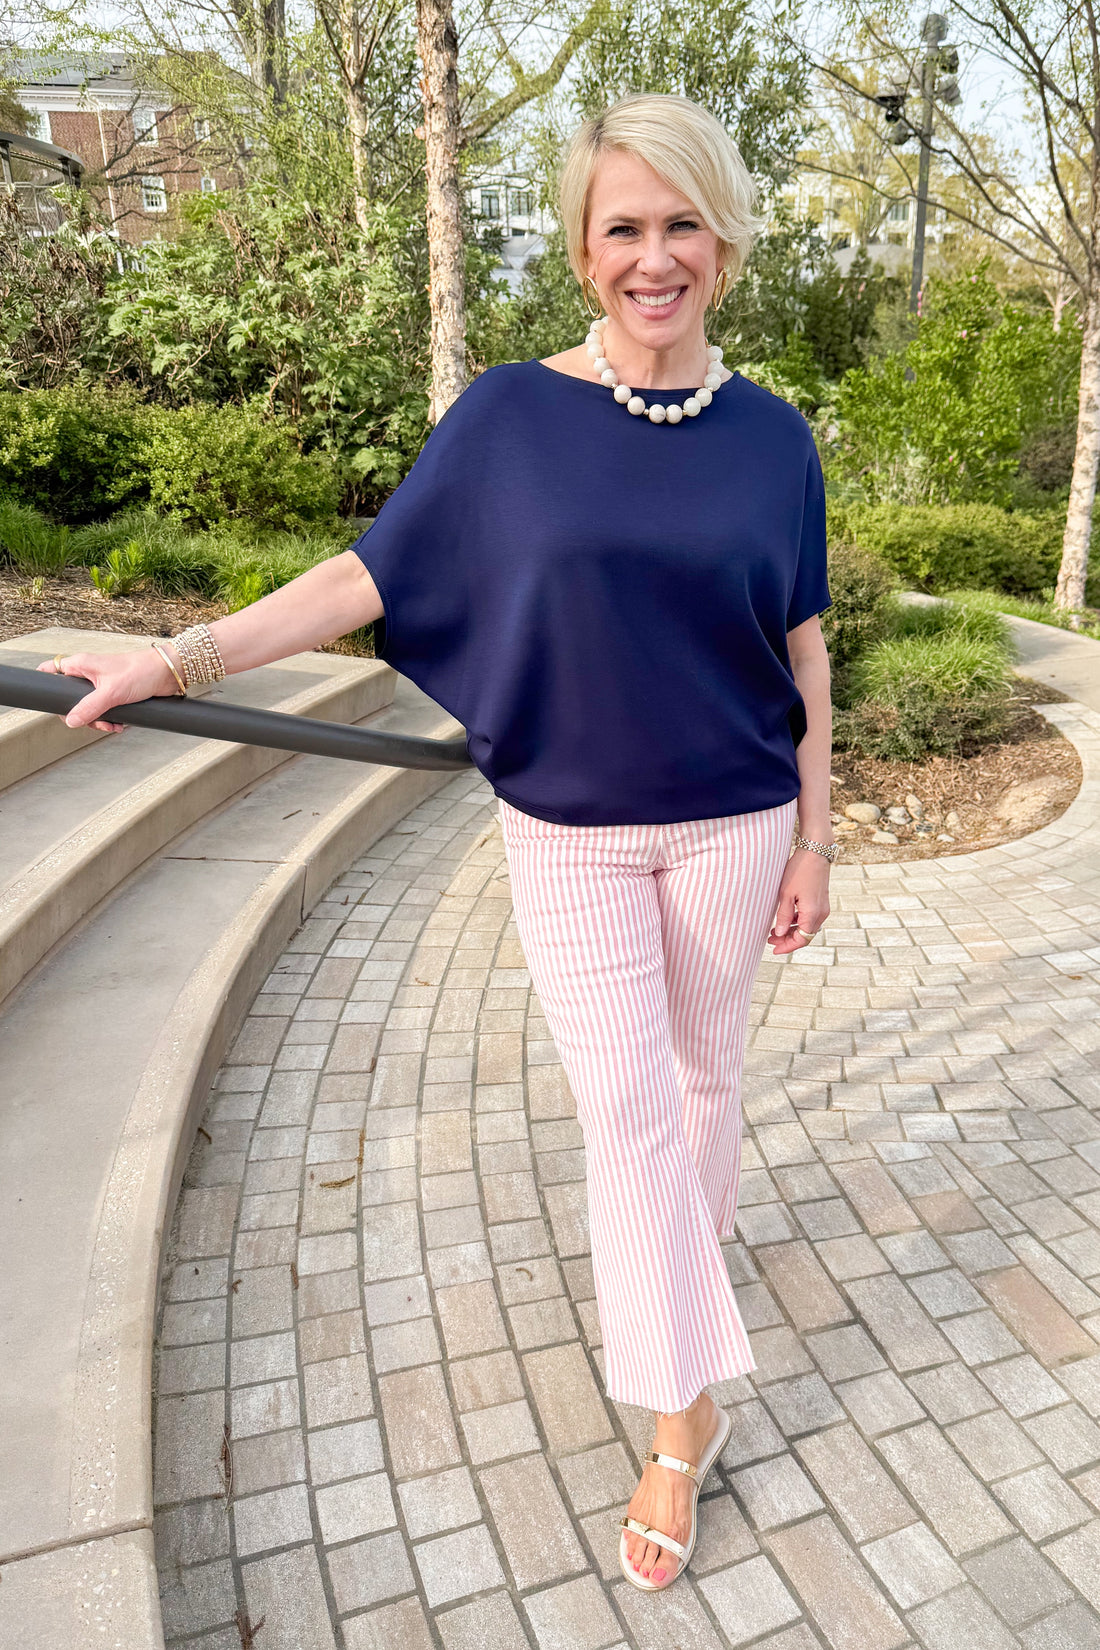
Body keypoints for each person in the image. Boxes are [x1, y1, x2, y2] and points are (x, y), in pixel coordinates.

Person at [44, 91, 836, 1595]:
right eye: (623, 227)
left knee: (707, 1079)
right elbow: (363, 575)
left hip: (737, 819)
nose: (652, 257)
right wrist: (181, 657)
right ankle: (686, 1416)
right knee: (630, 1114)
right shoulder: (507, 419)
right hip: (573, 837)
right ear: (585, 248)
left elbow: (801, 641)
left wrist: (818, 834)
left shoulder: (773, 439)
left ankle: (672, 1309)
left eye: (681, 225)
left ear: (721, 244)